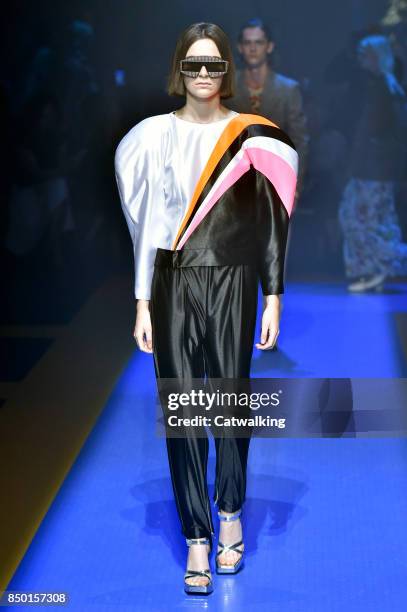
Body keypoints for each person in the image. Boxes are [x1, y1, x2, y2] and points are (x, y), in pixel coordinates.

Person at [114, 22, 298, 595]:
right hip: (172, 281)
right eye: (193, 64)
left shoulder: (252, 138)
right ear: (179, 69)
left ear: (227, 72)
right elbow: (146, 228)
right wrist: (143, 300)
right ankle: (198, 536)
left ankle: (231, 513)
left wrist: (275, 294)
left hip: (234, 279)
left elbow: (272, 223)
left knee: (228, 400)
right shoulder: (151, 136)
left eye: (213, 65)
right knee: (183, 412)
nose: (202, 75)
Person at [337, 33, 407, 292]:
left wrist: (354, 163)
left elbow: (369, 130)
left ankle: (376, 266)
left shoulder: (380, 88)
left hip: (370, 168)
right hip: (378, 169)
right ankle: (374, 270)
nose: (360, 59)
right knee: (375, 219)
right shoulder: (389, 86)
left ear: (376, 57)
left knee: (358, 218)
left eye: (364, 54)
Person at [224, 17, 308, 206]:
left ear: (269, 47)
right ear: (240, 47)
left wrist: (294, 190)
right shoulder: (227, 88)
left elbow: (299, 142)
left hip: (276, 184)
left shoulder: (288, 90)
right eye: (247, 43)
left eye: (259, 42)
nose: (253, 48)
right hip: (234, 187)